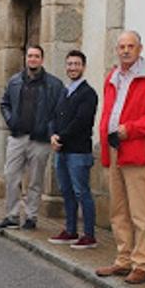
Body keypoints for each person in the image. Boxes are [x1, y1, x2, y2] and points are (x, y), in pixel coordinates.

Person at [94, 31, 145, 285]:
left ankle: (141, 264)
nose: (125, 50)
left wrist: (130, 129)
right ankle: (123, 259)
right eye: (122, 46)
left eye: (131, 46)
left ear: (140, 48)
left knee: (140, 212)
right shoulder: (112, 76)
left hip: (137, 150)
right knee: (118, 210)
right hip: (115, 149)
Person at [0, 45, 64, 231]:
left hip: (40, 140)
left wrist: (50, 130)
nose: (33, 59)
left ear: (42, 59)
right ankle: (12, 215)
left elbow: (59, 111)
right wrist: (11, 120)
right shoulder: (15, 81)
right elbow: (4, 103)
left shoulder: (54, 84)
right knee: (11, 176)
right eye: (30, 56)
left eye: (37, 56)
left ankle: (31, 216)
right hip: (17, 137)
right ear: (26, 58)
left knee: (35, 180)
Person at [49, 50, 99, 249]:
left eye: (76, 64)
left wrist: (59, 137)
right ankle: (70, 231)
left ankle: (89, 235)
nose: (72, 67)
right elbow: (53, 116)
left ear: (83, 67)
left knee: (82, 193)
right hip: (61, 151)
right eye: (69, 64)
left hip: (78, 152)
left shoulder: (89, 94)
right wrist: (52, 134)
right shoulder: (64, 91)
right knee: (67, 192)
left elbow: (81, 122)